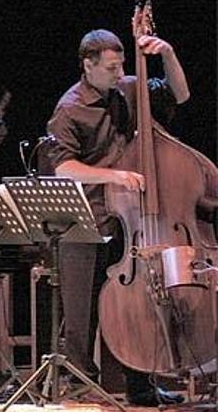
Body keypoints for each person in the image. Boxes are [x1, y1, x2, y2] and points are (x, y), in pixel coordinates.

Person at [46, 29, 189, 406]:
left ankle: (140, 386)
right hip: (87, 219)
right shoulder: (70, 107)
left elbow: (180, 94)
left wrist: (168, 53)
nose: (119, 72)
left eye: (121, 64)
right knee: (82, 311)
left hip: (131, 220)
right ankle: (79, 387)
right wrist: (113, 175)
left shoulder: (128, 88)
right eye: (111, 67)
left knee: (137, 301)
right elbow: (63, 168)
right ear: (87, 65)